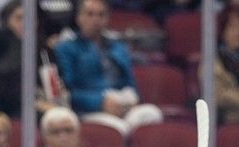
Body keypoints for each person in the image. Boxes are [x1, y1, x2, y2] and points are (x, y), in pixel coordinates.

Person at [54, 0, 163, 136]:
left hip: (121, 103)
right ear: (78, 18)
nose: (96, 20)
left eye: (101, 15)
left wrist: (132, 100)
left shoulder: (118, 47)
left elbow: (131, 84)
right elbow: (68, 92)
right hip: (90, 110)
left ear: (107, 18)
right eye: (90, 14)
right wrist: (100, 102)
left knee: (151, 113)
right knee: (118, 128)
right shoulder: (66, 48)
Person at [0, 0, 68, 118]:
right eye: (19, 18)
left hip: (46, 105)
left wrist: (58, 89)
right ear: (7, 21)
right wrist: (35, 103)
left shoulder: (44, 50)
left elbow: (56, 81)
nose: (26, 23)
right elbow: (1, 91)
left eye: (31, 18)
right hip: (8, 110)